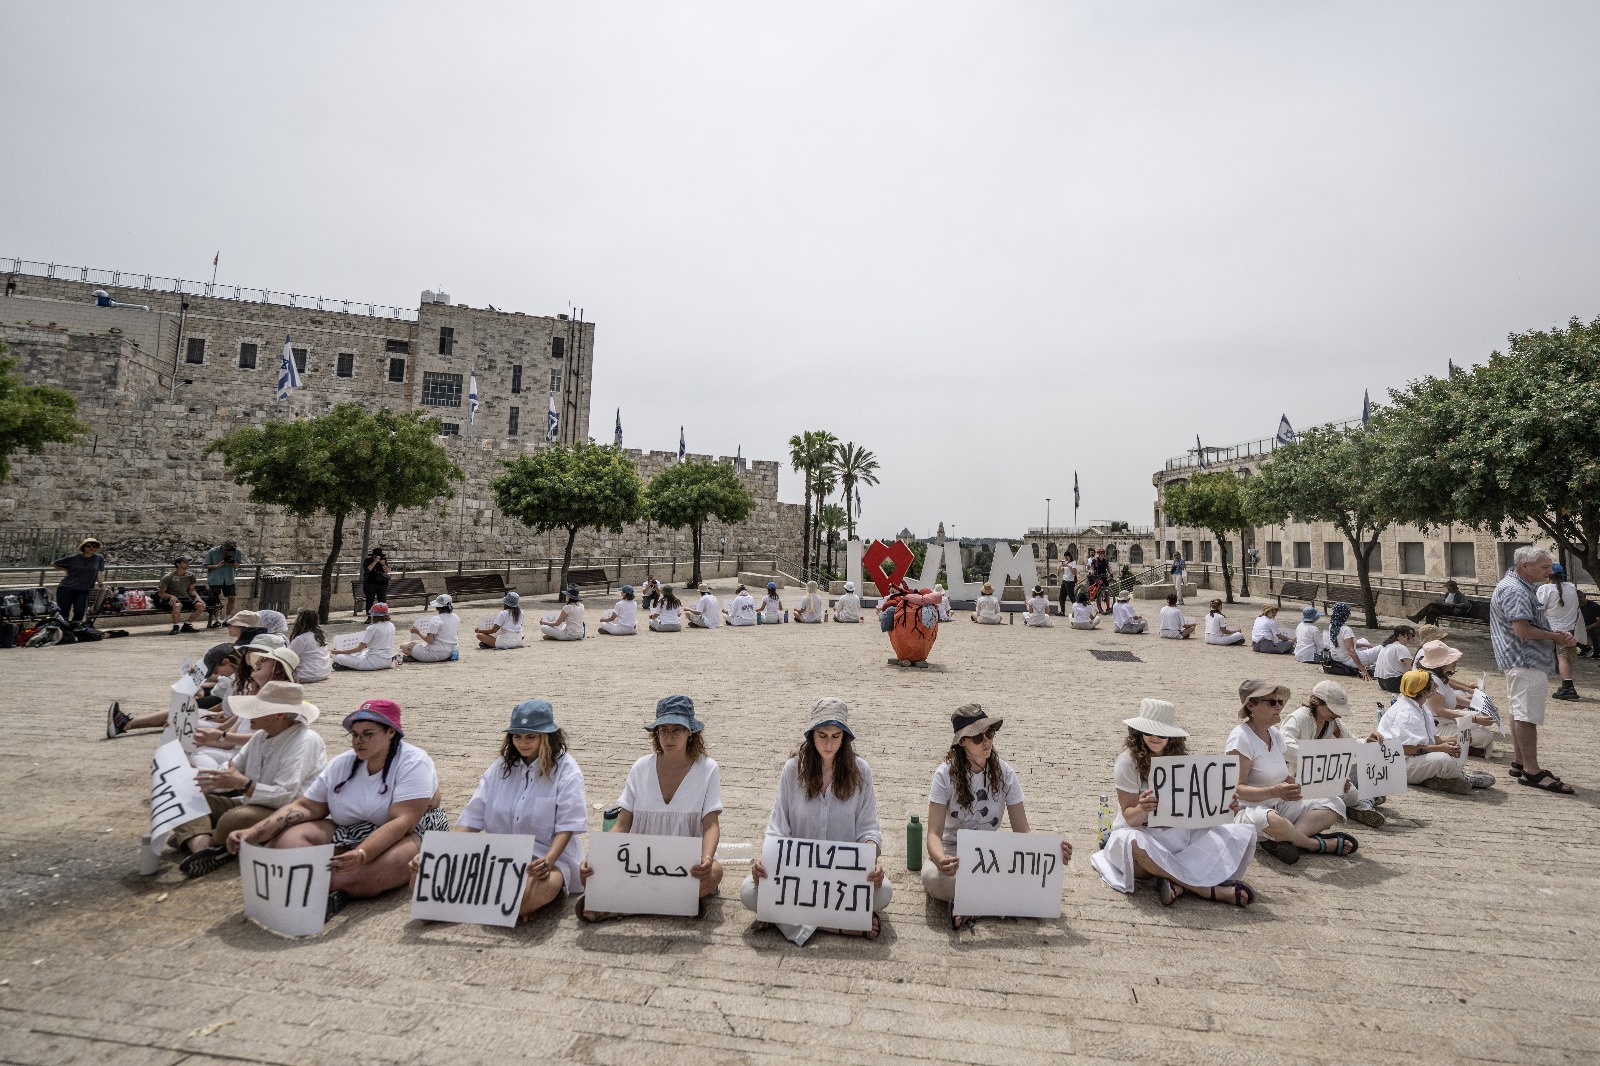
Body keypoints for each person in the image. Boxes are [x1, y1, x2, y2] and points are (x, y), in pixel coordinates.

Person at [228, 699, 448, 920]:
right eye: (354, 734)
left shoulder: (413, 761)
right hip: (353, 830)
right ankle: (316, 881)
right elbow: (306, 806)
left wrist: (363, 854)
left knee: (357, 877)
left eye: (368, 734)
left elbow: (403, 822)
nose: (358, 741)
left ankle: (331, 884)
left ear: (390, 732)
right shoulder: (342, 763)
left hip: (410, 833)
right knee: (286, 840)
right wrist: (255, 833)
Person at [425, 699, 588, 922]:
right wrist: (440, 852)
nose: (523, 743)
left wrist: (549, 860)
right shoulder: (500, 767)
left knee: (520, 899)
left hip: (543, 860)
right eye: (517, 736)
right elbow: (473, 819)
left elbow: (567, 826)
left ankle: (474, 904)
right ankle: (501, 905)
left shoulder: (567, 771)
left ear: (547, 737)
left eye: (531, 736)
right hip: (498, 857)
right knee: (423, 879)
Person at [743, 699, 889, 942]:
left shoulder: (861, 771)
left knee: (884, 892)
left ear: (844, 738)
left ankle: (787, 917)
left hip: (841, 876)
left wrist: (869, 863)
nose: (829, 744)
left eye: (835, 736)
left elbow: (869, 830)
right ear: (811, 736)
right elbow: (778, 829)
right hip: (799, 875)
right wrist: (765, 862)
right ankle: (840, 926)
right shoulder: (792, 770)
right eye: (822, 735)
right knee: (748, 891)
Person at [1090, 698, 1256, 906]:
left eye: (1162, 733)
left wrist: (1225, 807)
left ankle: (1175, 882)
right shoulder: (1127, 761)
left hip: (1177, 833)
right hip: (1143, 832)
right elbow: (1130, 817)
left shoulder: (1183, 762)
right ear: (1139, 733)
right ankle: (1204, 889)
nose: (1155, 737)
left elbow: (1198, 809)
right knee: (1132, 845)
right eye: (1149, 731)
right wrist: (1142, 808)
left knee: (1234, 834)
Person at [921, 705, 1073, 929]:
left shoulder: (1005, 773)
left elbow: (1022, 830)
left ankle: (970, 903)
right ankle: (993, 901)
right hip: (954, 851)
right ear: (962, 742)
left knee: (1038, 881)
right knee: (932, 878)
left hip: (991, 853)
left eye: (990, 733)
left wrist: (1050, 851)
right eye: (977, 737)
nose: (986, 741)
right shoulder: (944, 774)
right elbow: (933, 834)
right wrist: (941, 859)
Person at [577, 696, 724, 921]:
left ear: (690, 733)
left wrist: (706, 857)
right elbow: (623, 822)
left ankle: (627, 906)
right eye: (663, 730)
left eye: (677, 730)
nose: (669, 737)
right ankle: (675, 903)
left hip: (682, 865)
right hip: (639, 864)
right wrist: (598, 856)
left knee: (714, 873)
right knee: (588, 873)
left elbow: (710, 823)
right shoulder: (641, 767)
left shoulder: (707, 769)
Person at [169, 681, 329, 878]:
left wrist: (243, 784)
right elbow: (230, 771)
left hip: (283, 811)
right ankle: (205, 847)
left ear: (279, 715)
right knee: (181, 796)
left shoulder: (305, 741)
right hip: (250, 802)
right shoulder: (260, 737)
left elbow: (284, 797)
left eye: (258, 710)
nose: (250, 715)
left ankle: (196, 837)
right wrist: (194, 778)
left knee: (235, 819)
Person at [1228, 679, 1356, 864]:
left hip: (1279, 804)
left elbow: (1286, 777)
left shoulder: (1274, 734)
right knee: (1271, 820)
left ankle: (1286, 840)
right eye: (1272, 702)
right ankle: (1313, 844)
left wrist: (1329, 784)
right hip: (1249, 809)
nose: (1279, 706)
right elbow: (1237, 789)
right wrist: (1275, 791)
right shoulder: (1240, 738)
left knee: (1334, 803)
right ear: (1251, 705)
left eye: (1280, 701)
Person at [1491, 547, 1577, 794]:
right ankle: (1531, 771)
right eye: (1544, 567)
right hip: (1525, 658)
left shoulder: (1518, 585)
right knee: (1526, 716)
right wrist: (1556, 637)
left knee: (1518, 711)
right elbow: (1523, 630)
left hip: (1520, 659)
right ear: (1525, 565)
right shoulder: (1515, 590)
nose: (1549, 572)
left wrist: (1554, 634)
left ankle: (1520, 763)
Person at [1280, 680, 1386, 828]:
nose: (1337, 715)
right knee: (1352, 794)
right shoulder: (1298, 718)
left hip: (1321, 774)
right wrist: (1321, 756)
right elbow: (1284, 746)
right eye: (1332, 710)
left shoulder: (1332, 723)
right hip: (1296, 777)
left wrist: (1367, 743)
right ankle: (1363, 802)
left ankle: (1362, 801)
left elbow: (1351, 743)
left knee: (1363, 774)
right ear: (1318, 702)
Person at [1378, 670, 1489, 793]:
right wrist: (1441, 748)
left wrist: (1455, 739)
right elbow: (1405, 748)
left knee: (1453, 746)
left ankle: (1433, 779)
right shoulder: (1407, 714)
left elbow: (1429, 739)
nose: (1436, 686)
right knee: (1443, 759)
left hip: (1410, 758)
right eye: (1432, 684)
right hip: (1397, 765)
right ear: (1424, 692)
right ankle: (1462, 777)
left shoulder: (1420, 706)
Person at [1415, 639, 1498, 758]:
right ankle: (1453, 748)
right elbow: (1441, 711)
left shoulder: (1438, 677)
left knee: (1481, 720)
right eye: (1451, 659)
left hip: (1443, 722)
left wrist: (1477, 704)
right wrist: (1474, 719)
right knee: (1485, 736)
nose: (1455, 661)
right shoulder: (1432, 680)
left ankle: (1463, 746)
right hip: (1437, 727)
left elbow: (1451, 697)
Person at [1537, 564, 1583, 701]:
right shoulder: (1571, 587)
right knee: (1567, 658)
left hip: (1554, 630)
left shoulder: (1544, 589)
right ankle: (1566, 684)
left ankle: (1568, 686)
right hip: (1570, 629)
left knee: (1561, 658)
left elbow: (1538, 610)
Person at [52, 537, 106, 624]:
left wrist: (101, 585)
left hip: (83, 590)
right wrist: (65, 569)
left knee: (79, 612)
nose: (92, 548)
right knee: (64, 612)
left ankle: (75, 630)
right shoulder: (74, 558)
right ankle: (63, 632)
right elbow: (54, 563)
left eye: (94, 546)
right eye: (88, 546)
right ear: (83, 547)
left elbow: (99, 572)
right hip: (67, 588)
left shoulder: (99, 558)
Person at [332, 601, 396, 670]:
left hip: (373, 663)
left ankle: (348, 665)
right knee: (364, 651)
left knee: (339, 657)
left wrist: (338, 652)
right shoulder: (391, 625)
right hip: (388, 661)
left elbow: (358, 649)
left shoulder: (372, 628)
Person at [1325, 602, 1378, 680]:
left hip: (1337, 657)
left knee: (1364, 641)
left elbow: (1345, 645)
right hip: (1348, 660)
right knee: (1380, 648)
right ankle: (1374, 667)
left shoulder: (1332, 626)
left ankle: (1372, 662)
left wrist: (1366, 645)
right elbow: (1351, 651)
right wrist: (1362, 669)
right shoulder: (1346, 630)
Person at [402, 595, 460, 662]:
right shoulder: (455, 617)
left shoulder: (436, 619)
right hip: (451, 652)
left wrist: (418, 632)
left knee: (403, 646)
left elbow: (429, 640)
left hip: (435, 653)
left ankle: (415, 657)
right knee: (419, 645)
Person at [156, 558, 206, 634]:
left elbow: (191, 589)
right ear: (178, 564)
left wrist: (197, 596)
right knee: (177, 605)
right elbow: (161, 593)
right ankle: (175, 627)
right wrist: (171, 596)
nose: (187, 564)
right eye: (185, 562)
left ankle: (187, 625)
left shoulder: (190, 575)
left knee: (201, 605)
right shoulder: (168, 577)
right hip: (169, 600)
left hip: (184, 598)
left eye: (188, 562)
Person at [201, 539, 246, 622]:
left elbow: (238, 565)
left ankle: (227, 619)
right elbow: (205, 565)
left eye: (231, 550)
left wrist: (234, 563)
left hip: (229, 578)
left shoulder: (237, 552)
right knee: (215, 599)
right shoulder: (212, 552)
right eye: (227, 549)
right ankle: (217, 620)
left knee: (232, 598)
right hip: (215, 578)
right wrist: (217, 566)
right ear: (222, 547)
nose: (228, 551)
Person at [287, 607, 332, 682]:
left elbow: (289, 656)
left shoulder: (301, 638)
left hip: (306, 674)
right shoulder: (320, 636)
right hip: (323, 672)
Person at [1372, 625, 1418, 693]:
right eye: (1410, 635)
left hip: (1382, 682)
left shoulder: (1387, 646)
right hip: (1394, 683)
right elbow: (1412, 667)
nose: (1413, 637)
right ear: (1400, 636)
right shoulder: (1401, 648)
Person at [361, 547, 390, 620]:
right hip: (370, 583)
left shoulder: (383, 560)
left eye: (378, 556)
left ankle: (382, 616)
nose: (377, 557)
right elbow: (368, 569)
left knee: (382, 600)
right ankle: (369, 616)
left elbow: (387, 571)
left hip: (382, 583)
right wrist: (374, 562)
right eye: (375, 556)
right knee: (369, 600)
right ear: (373, 556)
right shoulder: (368, 560)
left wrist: (383, 564)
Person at [1579, 590, 1600, 658]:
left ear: (1585, 596)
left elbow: (1599, 622)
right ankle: (1585, 648)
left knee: (1593, 631)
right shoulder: (1577, 607)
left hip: (1595, 626)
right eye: (1577, 598)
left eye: (1580, 597)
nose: (1579, 599)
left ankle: (1597, 652)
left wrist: (1588, 627)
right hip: (1585, 626)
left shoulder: (1594, 606)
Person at [1059, 551, 1079, 615]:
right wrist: (1061, 566)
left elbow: (1074, 573)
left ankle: (1077, 610)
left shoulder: (1073, 563)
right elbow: (1061, 572)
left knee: (1071, 596)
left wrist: (1068, 566)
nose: (1066, 558)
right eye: (1065, 557)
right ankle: (1062, 611)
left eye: (1066, 557)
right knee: (1061, 596)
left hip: (1070, 581)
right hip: (1064, 580)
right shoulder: (1065, 562)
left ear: (1069, 556)